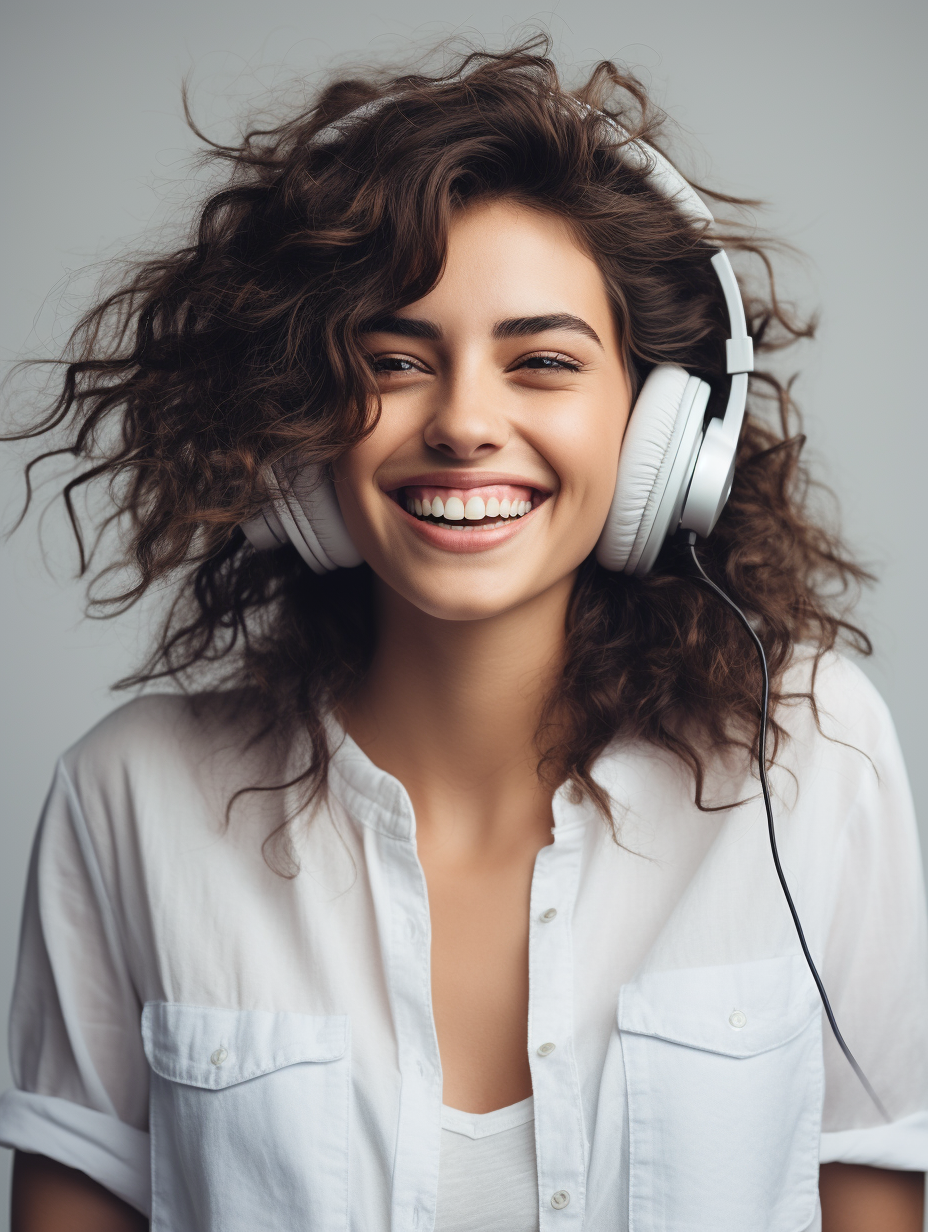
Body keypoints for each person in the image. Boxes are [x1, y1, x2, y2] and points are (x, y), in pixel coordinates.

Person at [2, 39, 926, 1232]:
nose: (464, 423)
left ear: (663, 438)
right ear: (299, 437)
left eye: (541, 361)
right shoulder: (127, 797)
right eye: (393, 361)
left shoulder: (811, 753)